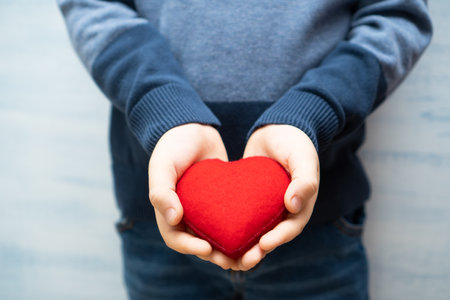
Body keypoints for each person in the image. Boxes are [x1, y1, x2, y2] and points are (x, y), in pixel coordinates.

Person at [57, 0, 432, 299]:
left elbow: (396, 14)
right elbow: (94, 6)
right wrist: (163, 106)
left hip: (322, 226)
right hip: (157, 222)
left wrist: (312, 111)